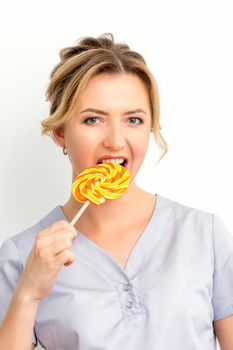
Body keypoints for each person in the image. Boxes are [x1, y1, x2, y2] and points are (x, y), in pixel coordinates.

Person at [0, 33, 232, 350]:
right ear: (59, 133)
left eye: (133, 120)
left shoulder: (205, 234)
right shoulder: (22, 255)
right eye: (93, 119)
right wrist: (28, 292)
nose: (115, 140)